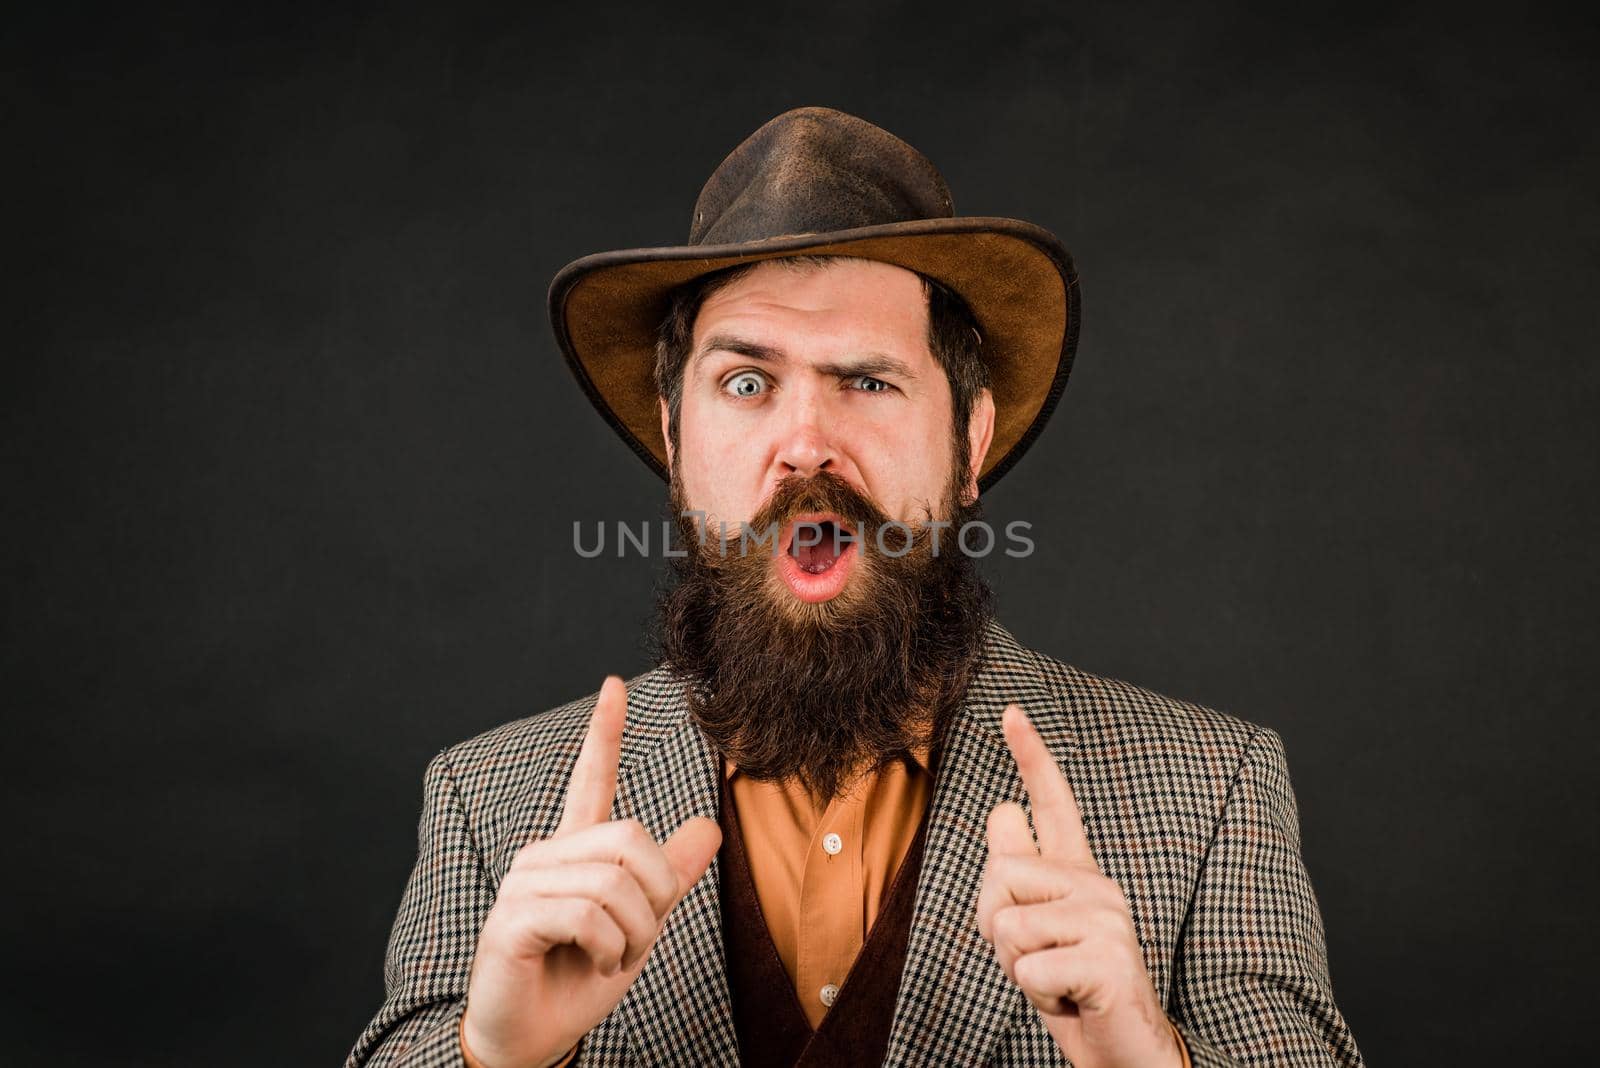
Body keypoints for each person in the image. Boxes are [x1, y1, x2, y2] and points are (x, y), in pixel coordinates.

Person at [346, 107, 1364, 1068]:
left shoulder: (1212, 787)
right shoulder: (487, 803)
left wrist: (1148, 1053)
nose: (803, 445)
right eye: (746, 383)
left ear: (969, 439)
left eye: (867, 382)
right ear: (672, 439)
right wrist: (497, 1059)